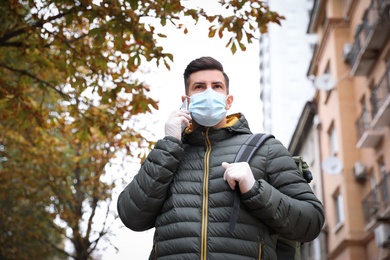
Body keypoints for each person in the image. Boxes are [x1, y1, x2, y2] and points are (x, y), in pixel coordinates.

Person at [117, 56, 325, 259]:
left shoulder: (266, 149)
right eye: (199, 87)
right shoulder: (168, 153)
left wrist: (255, 189)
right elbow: (132, 217)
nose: (209, 92)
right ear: (185, 101)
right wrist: (170, 144)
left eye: (216, 86)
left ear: (228, 100)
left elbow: (311, 222)